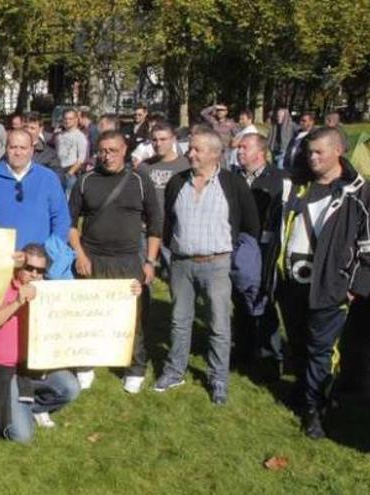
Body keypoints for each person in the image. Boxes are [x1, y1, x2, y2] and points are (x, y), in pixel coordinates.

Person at [273, 128, 370, 438]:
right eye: (309, 152)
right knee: (299, 342)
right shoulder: (296, 186)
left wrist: (354, 286)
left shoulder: (359, 192)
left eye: (319, 152)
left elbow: (367, 246)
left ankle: (316, 407)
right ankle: (303, 390)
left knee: (322, 350)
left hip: (330, 287)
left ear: (339, 150)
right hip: (292, 283)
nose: (312, 158)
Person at [154, 129, 259, 404]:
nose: (191, 154)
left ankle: (218, 380)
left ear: (215, 154)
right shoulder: (178, 182)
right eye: (190, 149)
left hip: (217, 265)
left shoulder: (233, 184)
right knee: (179, 321)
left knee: (219, 325)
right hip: (182, 264)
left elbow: (250, 224)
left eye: (197, 150)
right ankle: (175, 371)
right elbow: (168, 224)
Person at [69, 131, 162, 393]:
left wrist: (150, 262)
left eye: (113, 150)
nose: (107, 156)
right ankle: (85, 363)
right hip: (92, 258)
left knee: (132, 317)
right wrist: (79, 254)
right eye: (103, 151)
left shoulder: (139, 181)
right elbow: (70, 222)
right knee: (88, 315)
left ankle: (135, 367)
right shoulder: (85, 180)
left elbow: (156, 223)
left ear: (125, 150)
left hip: (129, 259)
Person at [0, 244, 81, 443]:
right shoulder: (1, 287)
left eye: (40, 270)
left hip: (36, 364)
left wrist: (131, 290)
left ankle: (31, 408)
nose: (34, 274)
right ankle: (0, 405)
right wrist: (18, 302)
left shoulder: (49, 293)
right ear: (19, 266)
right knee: (22, 436)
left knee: (71, 387)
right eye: (29, 268)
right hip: (6, 367)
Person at [232, 133, 287, 380]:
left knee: (265, 301)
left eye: (244, 147)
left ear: (260, 152)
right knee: (240, 299)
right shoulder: (234, 178)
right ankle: (242, 351)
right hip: (238, 247)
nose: (239, 151)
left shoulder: (279, 180)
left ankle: (270, 356)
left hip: (265, 250)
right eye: (239, 147)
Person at [0, 129, 71, 249]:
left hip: (37, 261)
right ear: (6, 149)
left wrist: (48, 254)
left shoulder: (48, 178)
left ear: (31, 150)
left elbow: (61, 220)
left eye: (23, 148)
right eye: (13, 147)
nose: (18, 152)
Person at [139, 123, 191, 216]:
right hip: (148, 225)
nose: (158, 144)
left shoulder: (186, 166)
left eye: (163, 139)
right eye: (154, 140)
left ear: (173, 139)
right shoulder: (144, 167)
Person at [56, 108, 89, 190]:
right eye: (65, 118)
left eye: (70, 119)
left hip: (70, 173)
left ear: (76, 120)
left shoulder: (80, 136)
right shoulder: (59, 136)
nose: (67, 121)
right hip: (58, 170)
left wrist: (69, 173)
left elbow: (81, 159)